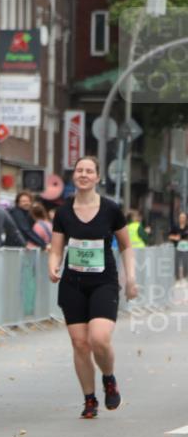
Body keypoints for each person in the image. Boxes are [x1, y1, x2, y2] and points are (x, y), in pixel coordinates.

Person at [48, 155, 137, 419]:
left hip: (103, 282)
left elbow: (126, 245)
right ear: (74, 176)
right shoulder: (63, 212)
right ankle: (89, 399)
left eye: (89, 171)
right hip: (73, 284)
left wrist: (130, 277)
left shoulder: (111, 209)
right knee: (79, 344)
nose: (84, 174)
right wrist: (52, 265)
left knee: (98, 339)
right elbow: (56, 249)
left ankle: (109, 378)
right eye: (79, 170)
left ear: (98, 177)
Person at [169, 211, 188, 284]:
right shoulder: (175, 227)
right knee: (176, 263)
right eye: (181, 217)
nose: (182, 219)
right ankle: (177, 279)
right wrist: (175, 238)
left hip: (186, 248)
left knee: (186, 263)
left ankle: (185, 277)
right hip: (177, 247)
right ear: (179, 218)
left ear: (186, 218)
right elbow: (170, 236)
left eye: (183, 217)